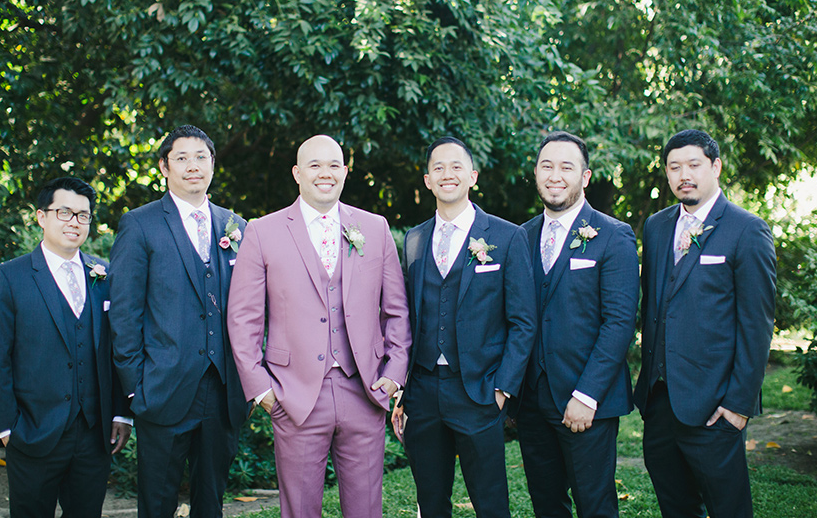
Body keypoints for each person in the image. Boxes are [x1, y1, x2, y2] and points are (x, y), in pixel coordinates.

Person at [228, 134, 411, 518]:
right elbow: (243, 319)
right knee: (300, 511)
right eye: (314, 165)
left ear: (345, 172)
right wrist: (262, 390)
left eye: (333, 165)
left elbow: (396, 310)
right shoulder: (263, 231)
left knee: (366, 510)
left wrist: (394, 373)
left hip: (365, 389)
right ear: (297, 173)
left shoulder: (374, 228)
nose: (324, 173)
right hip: (293, 394)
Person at [633, 129, 776, 518]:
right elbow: (654, 306)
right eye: (674, 167)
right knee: (675, 506)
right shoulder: (657, 227)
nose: (684, 175)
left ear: (715, 166)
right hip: (661, 401)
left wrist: (737, 405)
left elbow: (757, 323)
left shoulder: (746, 229)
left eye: (694, 165)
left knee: (727, 508)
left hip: (716, 405)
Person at [392, 136, 536, 518]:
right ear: (426, 180)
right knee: (431, 500)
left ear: (472, 176)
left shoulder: (507, 237)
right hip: (423, 391)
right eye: (438, 167)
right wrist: (404, 390)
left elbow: (523, 321)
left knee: (490, 502)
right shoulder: (414, 239)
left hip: (480, 390)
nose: (447, 174)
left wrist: (503, 387)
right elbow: (407, 317)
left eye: (456, 166)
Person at [109, 125, 248, 518]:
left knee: (212, 502)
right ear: (164, 167)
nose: (193, 166)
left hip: (222, 391)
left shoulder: (236, 226)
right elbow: (124, 311)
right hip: (162, 389)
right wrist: (136, 387)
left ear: (213, 165)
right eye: (182, 158)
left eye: (201, 157)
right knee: (157, 503)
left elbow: (254, 309)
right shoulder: (140, 224)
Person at [0, 176, 131, 518]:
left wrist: (121, 412)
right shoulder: (9, 277)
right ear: (41, 217)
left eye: (83, 215)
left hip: (94, 435)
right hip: (32, 432)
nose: (74, 222)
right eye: (64, 212)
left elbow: (118, 348)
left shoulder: (104, 274)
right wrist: (7, 428)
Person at [515, 131, 639, 518]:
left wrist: (587, 395)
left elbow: (619, 322)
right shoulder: (522, 235)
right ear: (536, 174)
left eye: (566, 167)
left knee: (595, 504)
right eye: (547, 166)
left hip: (588, 400)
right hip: (533, 399)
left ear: (584, 177)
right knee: (546, 503)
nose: (556, 175)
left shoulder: (614, 235)